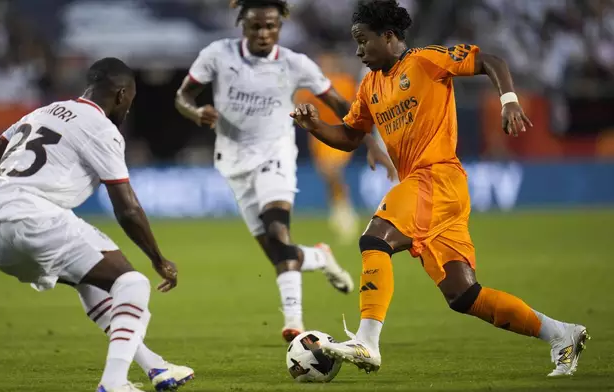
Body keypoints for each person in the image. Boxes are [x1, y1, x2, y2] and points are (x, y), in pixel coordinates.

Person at [291, 0, 588, 377]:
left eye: (363, 41)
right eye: (355, 42)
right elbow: (350, 136)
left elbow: (490, 61)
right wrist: (314, 125)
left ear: (388, 36)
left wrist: (509, 101)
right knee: (464, 295)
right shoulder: (369, 86)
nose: (358, 50)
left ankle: (366, 341)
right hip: (430, 190)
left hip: (436, 178)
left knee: (375, 238)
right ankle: (562, 333)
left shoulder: (426, 61)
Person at [175, 0, 395, 342]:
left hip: (275, 155)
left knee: (279, 230)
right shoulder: (217, 54)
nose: (264, 33)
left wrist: (371, 142)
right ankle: (320, 256)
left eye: (271, 27)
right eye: (256, 26)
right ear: (242, 25)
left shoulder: (295, 64)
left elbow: (343, 106)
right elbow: (183, 96)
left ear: (280, 27)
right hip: (234, 163)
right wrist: (195, 112)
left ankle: (295, 325)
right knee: (280, 253)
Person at [0, 58, 193, 392]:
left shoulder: (43, 112)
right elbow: (127, 207)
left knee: (87, 281)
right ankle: (113, 383)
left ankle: (155, 367)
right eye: (130, 99)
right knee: (132, 284)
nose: (129, 107)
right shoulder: (101, 128)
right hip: (35, 218)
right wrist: (158, 259)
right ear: (121, 95)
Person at [295, 52, 396, 244]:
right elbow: (299, 102)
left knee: (333, 171)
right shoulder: (314, 86)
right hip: (319, 137)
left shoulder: (344, 83)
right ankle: (339, 210)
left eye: (327, 61)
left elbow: (354, 107)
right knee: (328, 176)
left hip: (340, 132)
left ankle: (345, 215)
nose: (324, 65)